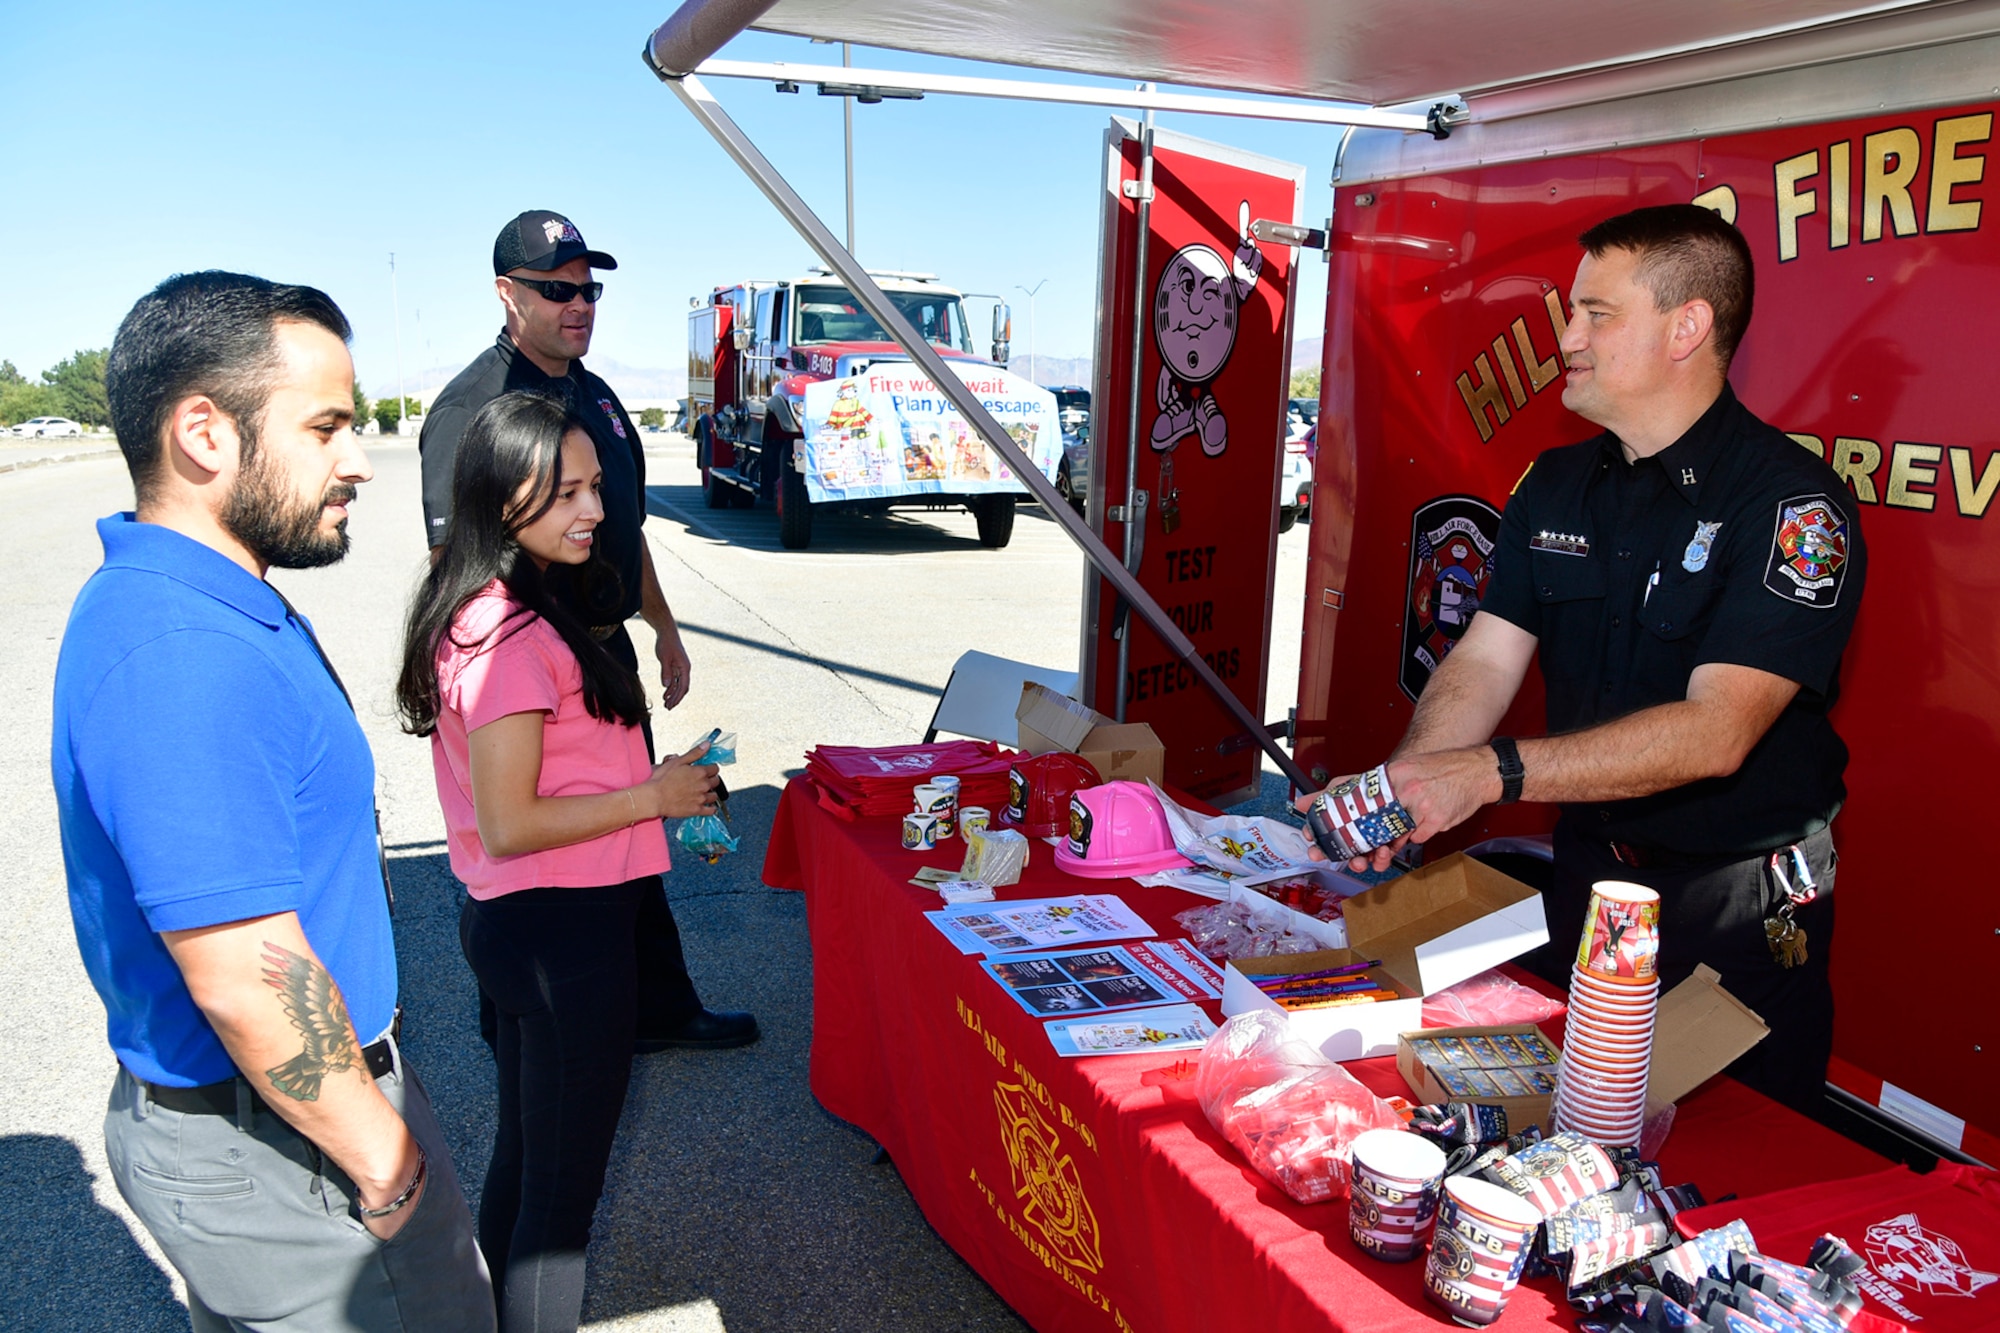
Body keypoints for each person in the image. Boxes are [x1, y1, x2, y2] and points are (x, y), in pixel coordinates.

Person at [1300, 204, 1866, 1113]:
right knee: (1565, 1150)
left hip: (1729, 918)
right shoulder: (1555, 484)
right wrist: (1408, 788)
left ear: (1688, 327)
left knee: (1727, 1189)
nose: (1567, 337)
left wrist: (1484, 775)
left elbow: (1717, 732)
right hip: (1589, 883)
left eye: (1596, 314)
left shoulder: (1792, 507)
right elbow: (1484, 662)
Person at [52, 271, 493, 1330]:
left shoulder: (203, 598)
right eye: (327, 426)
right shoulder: (182, 650)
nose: (358, 461)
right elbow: (248, 980)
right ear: (204, 432)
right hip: (291, 1145)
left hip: (283, 1124)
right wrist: (389, 1169)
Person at [397, 392, 722, 1331]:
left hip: (531, 926)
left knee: (529, 1160)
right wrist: (652, 796)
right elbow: (510, 821)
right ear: (502, 502)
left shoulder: (502, 605)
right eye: (565, 493)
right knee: (557, 1211)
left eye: (593, 487)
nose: (593, 510)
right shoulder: (508, 635)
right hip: (558, 929)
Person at [419, 209, 755, 1052]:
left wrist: (664, 627)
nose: (579, 304)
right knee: (537, 854)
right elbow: (450, 559)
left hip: (600, 647)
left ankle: (659, 1005)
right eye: (555, 290)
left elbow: (624, 526)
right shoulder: (473, 407)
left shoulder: (594, 395)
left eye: (588, 289)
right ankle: (519, 1016)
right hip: (529, 665)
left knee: (629, 836)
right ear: (507, 294)